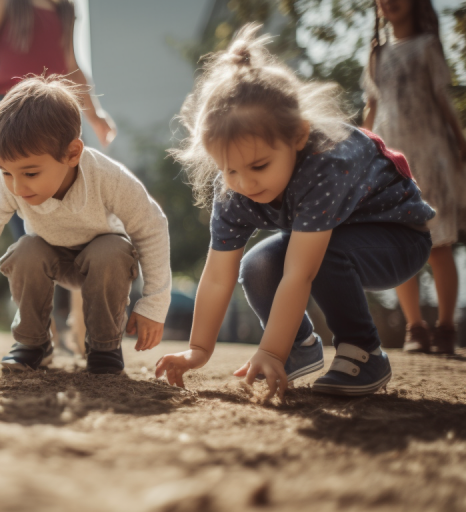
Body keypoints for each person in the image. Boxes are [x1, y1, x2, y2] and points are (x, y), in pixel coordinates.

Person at [157, 25, 435, 400]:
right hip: (336, 237)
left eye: (259, 166)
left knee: (317, 256)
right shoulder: (232, 191)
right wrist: (198, 350)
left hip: (398, 238)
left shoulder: (324, 166)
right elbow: (217, 276)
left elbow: (301, 272)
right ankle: (299, 347)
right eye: (229, 169)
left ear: (298, 138)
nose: (245, 183)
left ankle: (364, 351)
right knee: (256, 265)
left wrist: (269, 350)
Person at [0, 76, 172, 375]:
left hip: (104, 261)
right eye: (6, 172)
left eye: (30, 173)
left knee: (110, 250)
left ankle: (104, 347)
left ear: (72, 154)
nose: (16, 187)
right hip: (49, 256)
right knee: (26, 250)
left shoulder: (107, 177)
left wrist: (154, 304)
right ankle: (33, 344)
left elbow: (152, 227)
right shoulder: (3, 182)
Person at [0, 0, 119, 351]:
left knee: (76, 214)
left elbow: (72, 65)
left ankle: (79, 319)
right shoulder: (3, 3)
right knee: (28, 215)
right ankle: (40, 325)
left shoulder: (66, 9)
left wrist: (94, 115)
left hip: (55, 111)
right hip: (9, 105)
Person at [362, 0, 465, 355]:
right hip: (394, 162)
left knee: (439, 246)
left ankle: (446, 329)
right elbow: (371, 107)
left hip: (431, 158)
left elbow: (441, 97)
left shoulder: (428, 46)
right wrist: (362, 148)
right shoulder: (377, 54)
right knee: (402, 243)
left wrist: (460, 142)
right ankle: (416, 328)